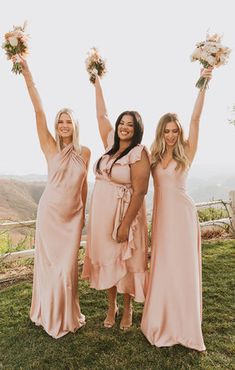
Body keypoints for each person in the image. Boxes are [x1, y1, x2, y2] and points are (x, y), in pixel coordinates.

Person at [14, 56, 90, 338]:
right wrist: (26, 72)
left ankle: (66, 314)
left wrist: (83, 216)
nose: (63, 125)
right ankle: (47, 314)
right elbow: (38, 111)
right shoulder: (49, 145)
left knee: (66, 269)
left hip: (71, 220)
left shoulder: (85, 153)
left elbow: (83, 187)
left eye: (68, 121)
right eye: (60, 121)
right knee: (49, 269)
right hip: (50, 215)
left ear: (76, 125)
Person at [141, 68, 213, 351]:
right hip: (162, 218)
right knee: (163, 266)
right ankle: (161, 321)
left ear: (180, 132)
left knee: (182, 268)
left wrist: (203, 83)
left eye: (175, 131)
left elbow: (196, 118)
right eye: (167, 131)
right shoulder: (153, 155)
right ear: (161, 132)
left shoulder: (188, 150)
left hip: (183, 218)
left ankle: (184, 324)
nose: (171, 135)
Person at [82, 75, 150, 329]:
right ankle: (112, 306)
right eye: (122, 122)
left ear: (137, 129)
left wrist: (125, 224)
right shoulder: (110, 145)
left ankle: (128, 307)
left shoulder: (139, 153)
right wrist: (97, 81)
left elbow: (141, 191)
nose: (124, 127)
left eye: (130, 124)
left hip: (125, 215)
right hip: (102, 216)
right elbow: (102, 115)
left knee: (126, 260)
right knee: (110, 259)